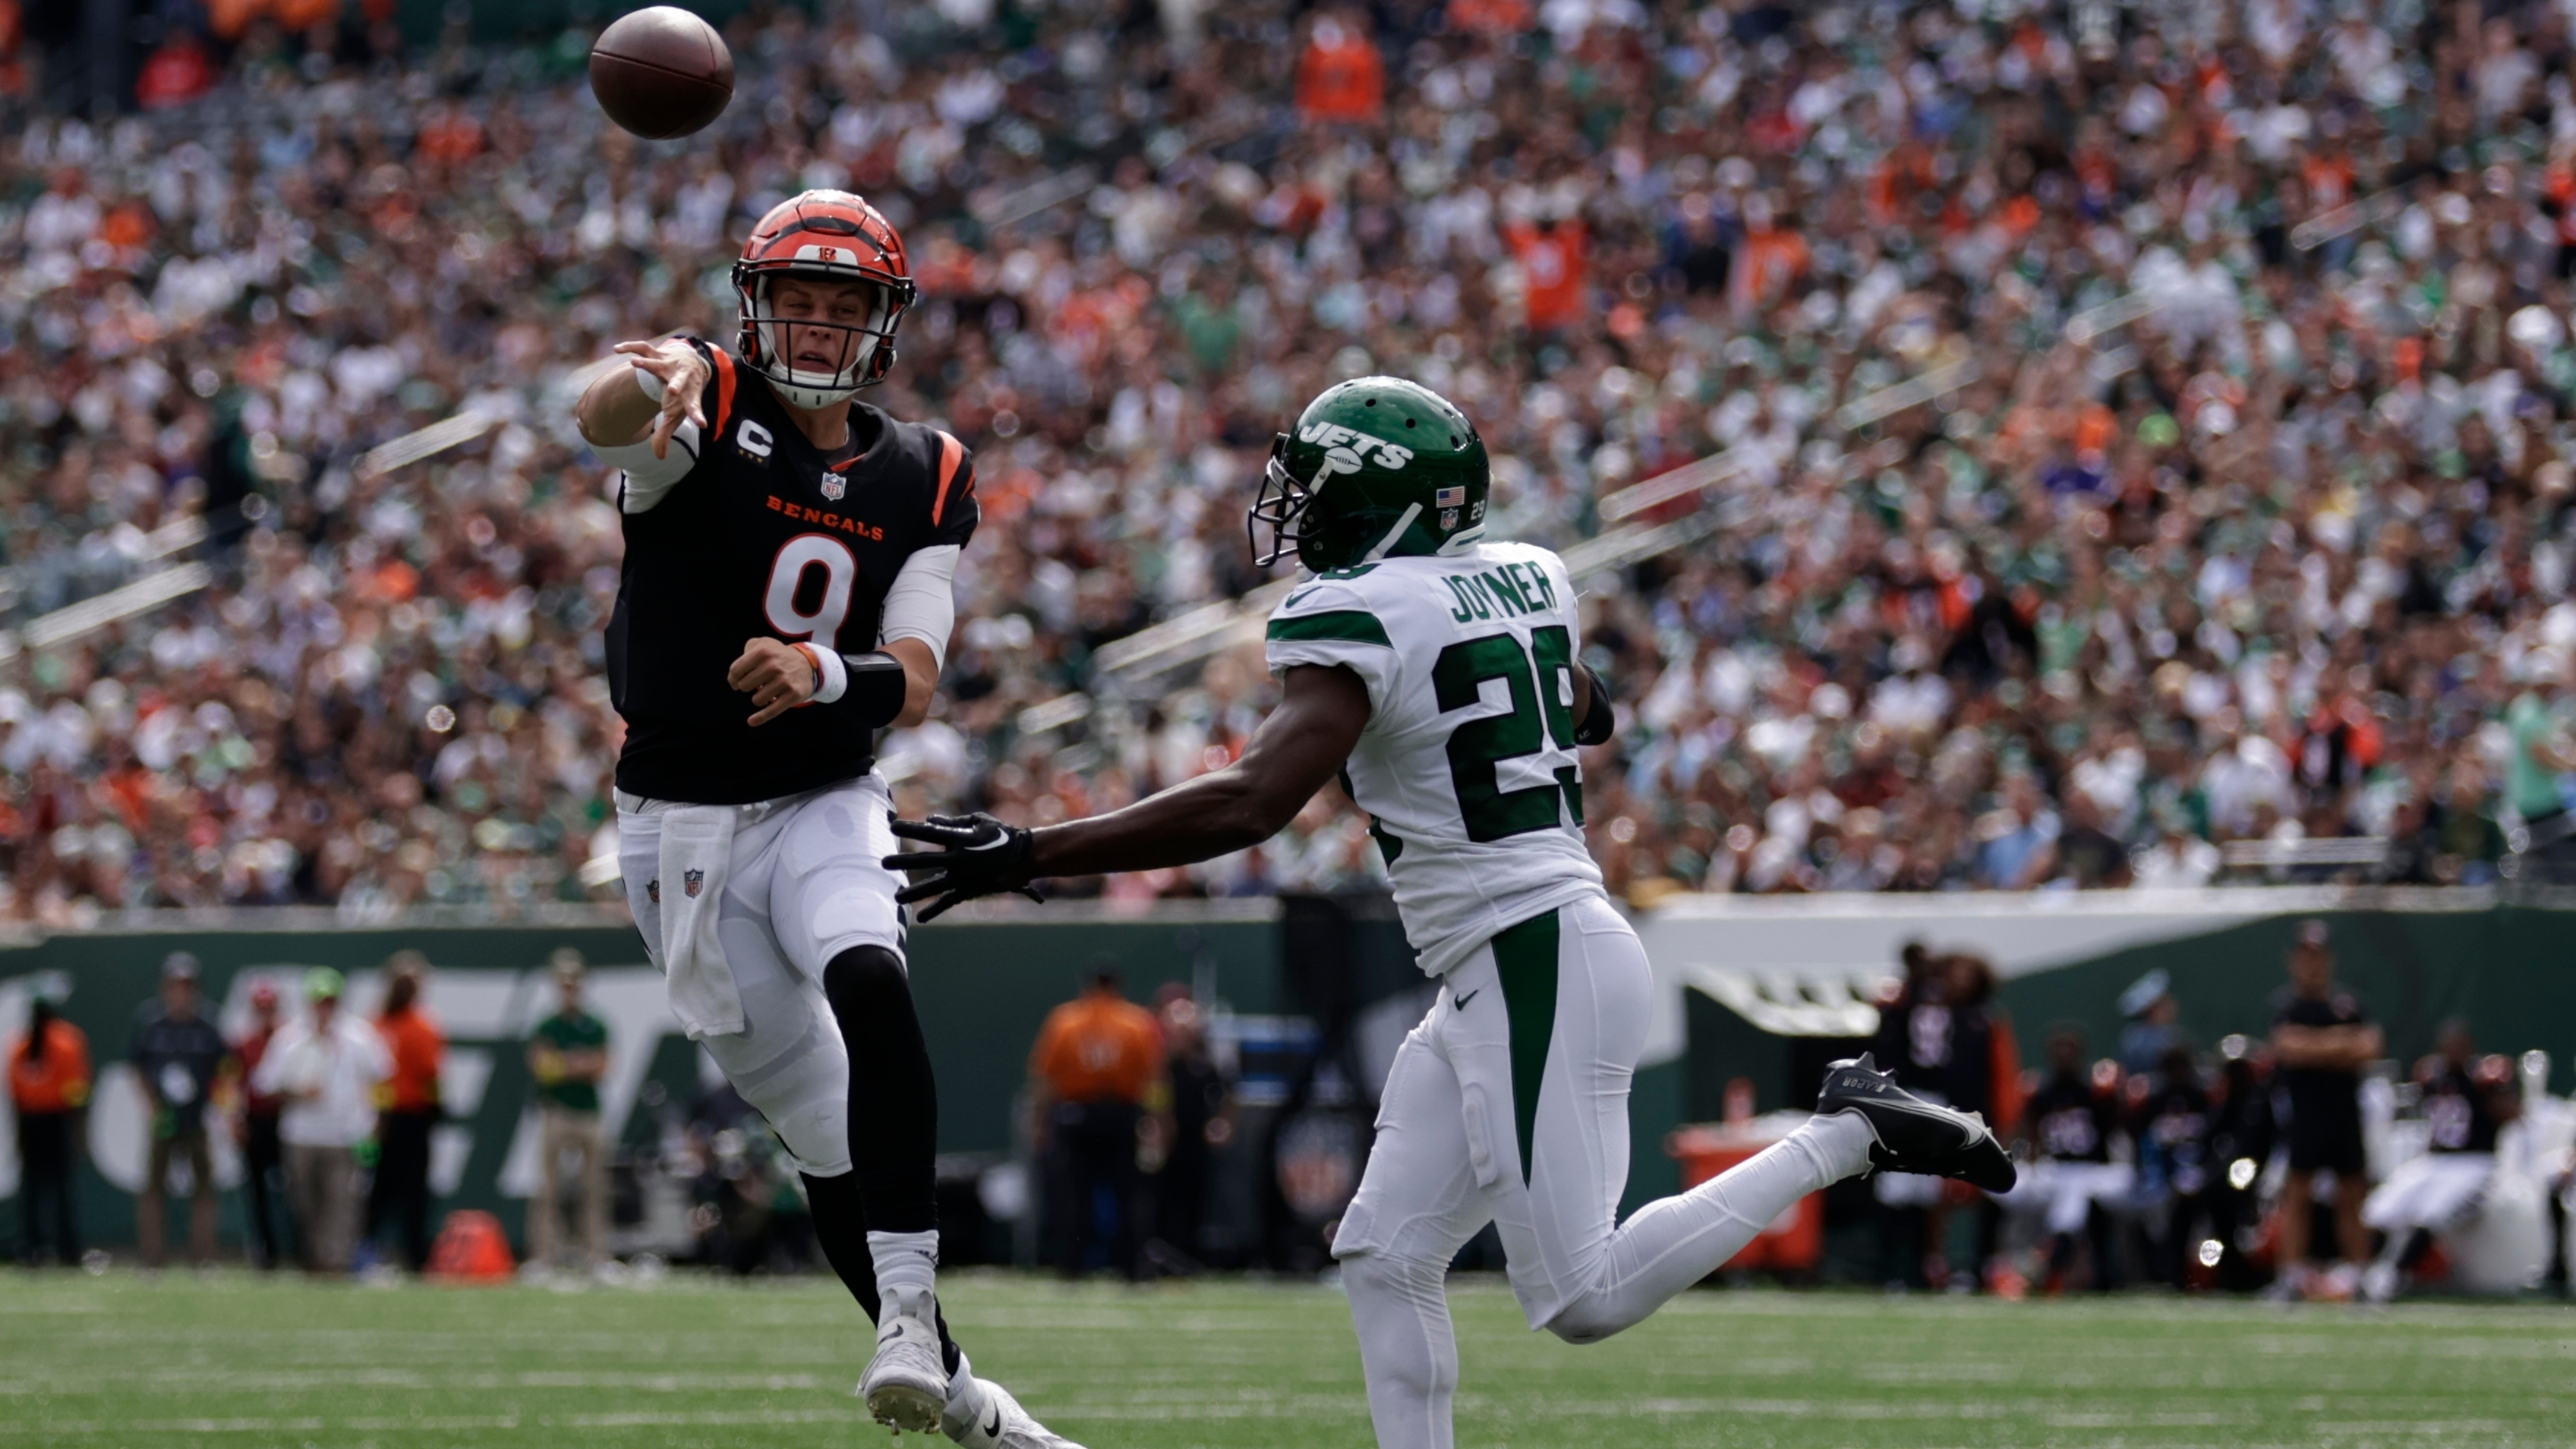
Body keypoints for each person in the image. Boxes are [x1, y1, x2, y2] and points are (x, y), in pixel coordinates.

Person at [883, 376, 2013, 1449]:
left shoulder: (1363, 610)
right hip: (1505, 960)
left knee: (1581, 1294)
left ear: (1380, 503)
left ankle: (1848, 1130)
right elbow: (1589, 706)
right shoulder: (1530, 574)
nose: (1298, 510)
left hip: (1532, 953)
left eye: (1320, 487)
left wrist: (1031, 851)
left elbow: (1255, 797)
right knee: (1382, 1251)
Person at [572, 187, 1074, 1449]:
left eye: (836, 301)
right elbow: (608, 410)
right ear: (752, 306)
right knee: (821, 1128)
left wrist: (821, 672)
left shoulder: (927, 470)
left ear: (879, 319)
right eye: (791, 297)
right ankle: (971, 1404)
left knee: (870, 966)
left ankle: (905, 1315)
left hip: (823, 791)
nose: (808, 321)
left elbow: (914, 664)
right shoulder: (707, 407)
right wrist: (648, 378)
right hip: (677, 829)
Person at [2360, 1022, 2520, 1303]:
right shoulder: (2434, 1077)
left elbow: (2513, 1115)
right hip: (2433, 1161)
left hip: (2474, 1163)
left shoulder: (2483, 1079)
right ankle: (2358, 1273)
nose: (2455, 1052)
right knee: (2379, 1209)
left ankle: (2390, 1277)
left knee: (2430, 1214)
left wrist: (2495, 1092)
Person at [2268, 918, 2382, 1301]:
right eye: (2306, 956)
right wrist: (2338, 1046)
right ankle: (2290, 1276)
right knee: (2298, 1195)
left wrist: (2317, 1047)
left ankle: (2360, 1278)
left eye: (2318, 956)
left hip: (2344, 1112)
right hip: (2306, 1114)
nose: (2312, 964)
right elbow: (2288, 1047)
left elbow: (2368, 1048)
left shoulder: (2348, 1005)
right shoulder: (2288, 1006)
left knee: (2351, 1197)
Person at [251, 969, 391, 1275]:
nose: (324, 1007)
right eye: (319, 1001)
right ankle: (314, 1261)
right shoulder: (289, 1038)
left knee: (342, 1204)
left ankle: (337, 1264)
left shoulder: (360, 1035)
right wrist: (297, 1092)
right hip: (301, 1136)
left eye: (330, 1001)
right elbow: (264, 1085)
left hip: (345, 1135)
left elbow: (382, 1077)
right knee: (305, 1204)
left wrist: (377, 1122)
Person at [1027, 965, 1163, 1280]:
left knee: (1072, 1195)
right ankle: (1129, 1266)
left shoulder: (1065, 1020)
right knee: (1128, 1194)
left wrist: (1038, 1121)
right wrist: (1156, 1121)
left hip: (1075, 1114)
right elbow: (1153, 1079)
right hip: (1120, 1113)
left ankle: (1072, 1265)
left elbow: (1044, 1078)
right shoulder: (1136, 1021)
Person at [1995, 1026, 2133, 1292]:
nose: (2063, 1055)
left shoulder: (2095, 1090)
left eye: (2068, 1049)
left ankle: (2047, 1266)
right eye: (2058, 1049)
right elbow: (2029, 1135)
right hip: (2054, 1170)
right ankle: (2003, 1263)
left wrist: (2117, 1098)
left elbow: (2118, 1128)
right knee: (1998, 1184)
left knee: (2077, 1192)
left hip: (2093, 1171)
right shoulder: (2041, 1091)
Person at [130, 952, 228, 1269]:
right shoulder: (151, 1022)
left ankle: (203, 1256)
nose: (181, 992)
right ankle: (153, 1258)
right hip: (164, 1118)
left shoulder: (208, 1024)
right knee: (154, 1188)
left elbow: (225, 1070)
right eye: (175, 985)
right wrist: (152, 1105)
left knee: (204, 1188)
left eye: (187, 986)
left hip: (196, 1117)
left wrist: (217, 1106)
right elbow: (137, 1067)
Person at [527, 949, 612, 1274]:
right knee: (548, 1190)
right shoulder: (547, 1025)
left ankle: (596, 1257)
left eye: (574, 982)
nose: (569, 988)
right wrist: (578, 1064)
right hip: (556, 1110)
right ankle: (544, 1257)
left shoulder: (596, 1024)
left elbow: (602, 1067)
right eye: (563, 983)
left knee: (594, 1190)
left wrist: (566, 1064)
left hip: (588, 1112)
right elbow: (543, 1068)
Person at [365, 953, 444, 1273]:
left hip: (398, 1117)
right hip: (399, 1117)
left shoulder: (384, 1024)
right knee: (390, 1191)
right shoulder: (415, 1026)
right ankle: (393, 1254)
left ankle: (396, 1253)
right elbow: (431, 1077)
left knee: (395, 1192)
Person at [8, 995, 90, 1265]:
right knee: (57, 1189)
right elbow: (77, 1091)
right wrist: (78, 1128)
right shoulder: (65, 1041)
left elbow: (17, 1094)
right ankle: (66, 1249)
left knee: (35, 1190)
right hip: (56, 1120)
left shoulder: (21, 1045)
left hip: (33, 1121)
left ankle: (34, 1247)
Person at [1152, 991, 1231, 1269]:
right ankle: (1160, 1253)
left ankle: (1188, 1255)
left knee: (1195, 1199)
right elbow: (1154, 1097)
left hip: (1195, 1140)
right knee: (1161, 1199)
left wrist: (1222, 1125)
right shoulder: (1160, 1065)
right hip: (1166, 1143)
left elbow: (1225, 1097)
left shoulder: (1205, 1066)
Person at [231, 980, 293, 1271]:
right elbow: (231, 1083)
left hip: (288, 1122)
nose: (266, 1014)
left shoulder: (291, 1040)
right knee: (257, 1194)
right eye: (261, 1009)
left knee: (294, 1191)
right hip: (256, 1121)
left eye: (270, 1009)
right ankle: (264, 1255)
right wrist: (234, 1119)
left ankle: (296, 1250)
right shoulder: (244, 1043)